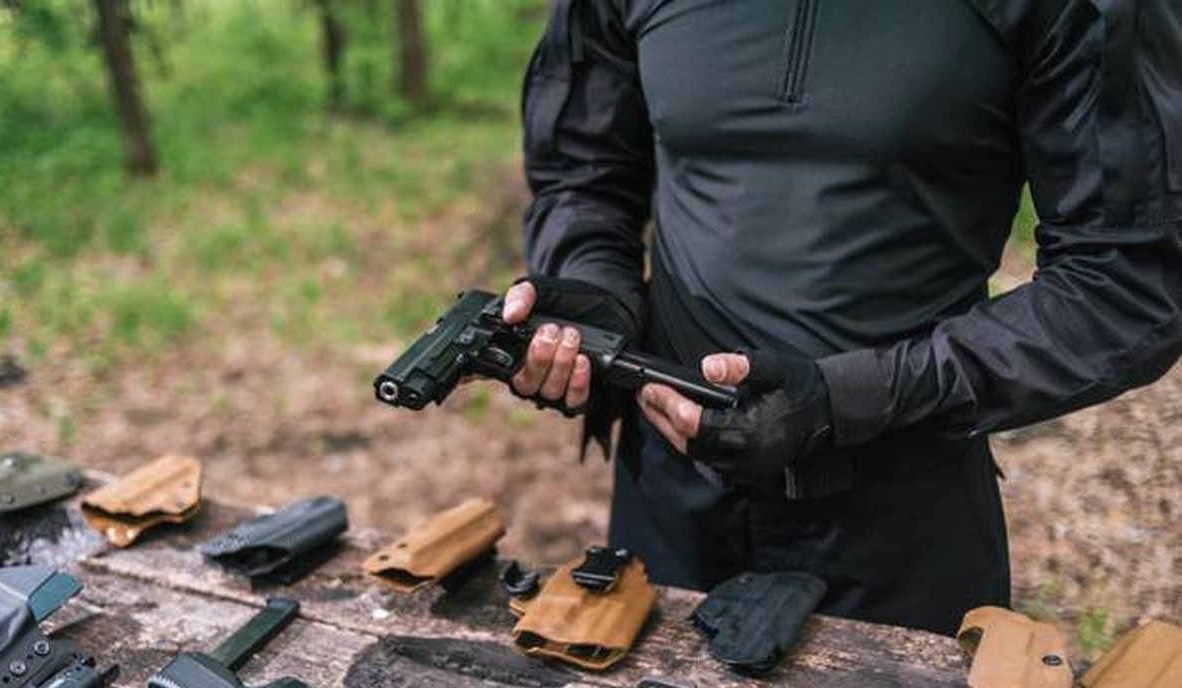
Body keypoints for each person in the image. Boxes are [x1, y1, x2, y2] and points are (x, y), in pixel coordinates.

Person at [498, 0, 1182, 635]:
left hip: (901, 524)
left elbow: (1127, 279)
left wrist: (849, 399)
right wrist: (599, 295)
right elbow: (582, 172)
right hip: (668, 501)